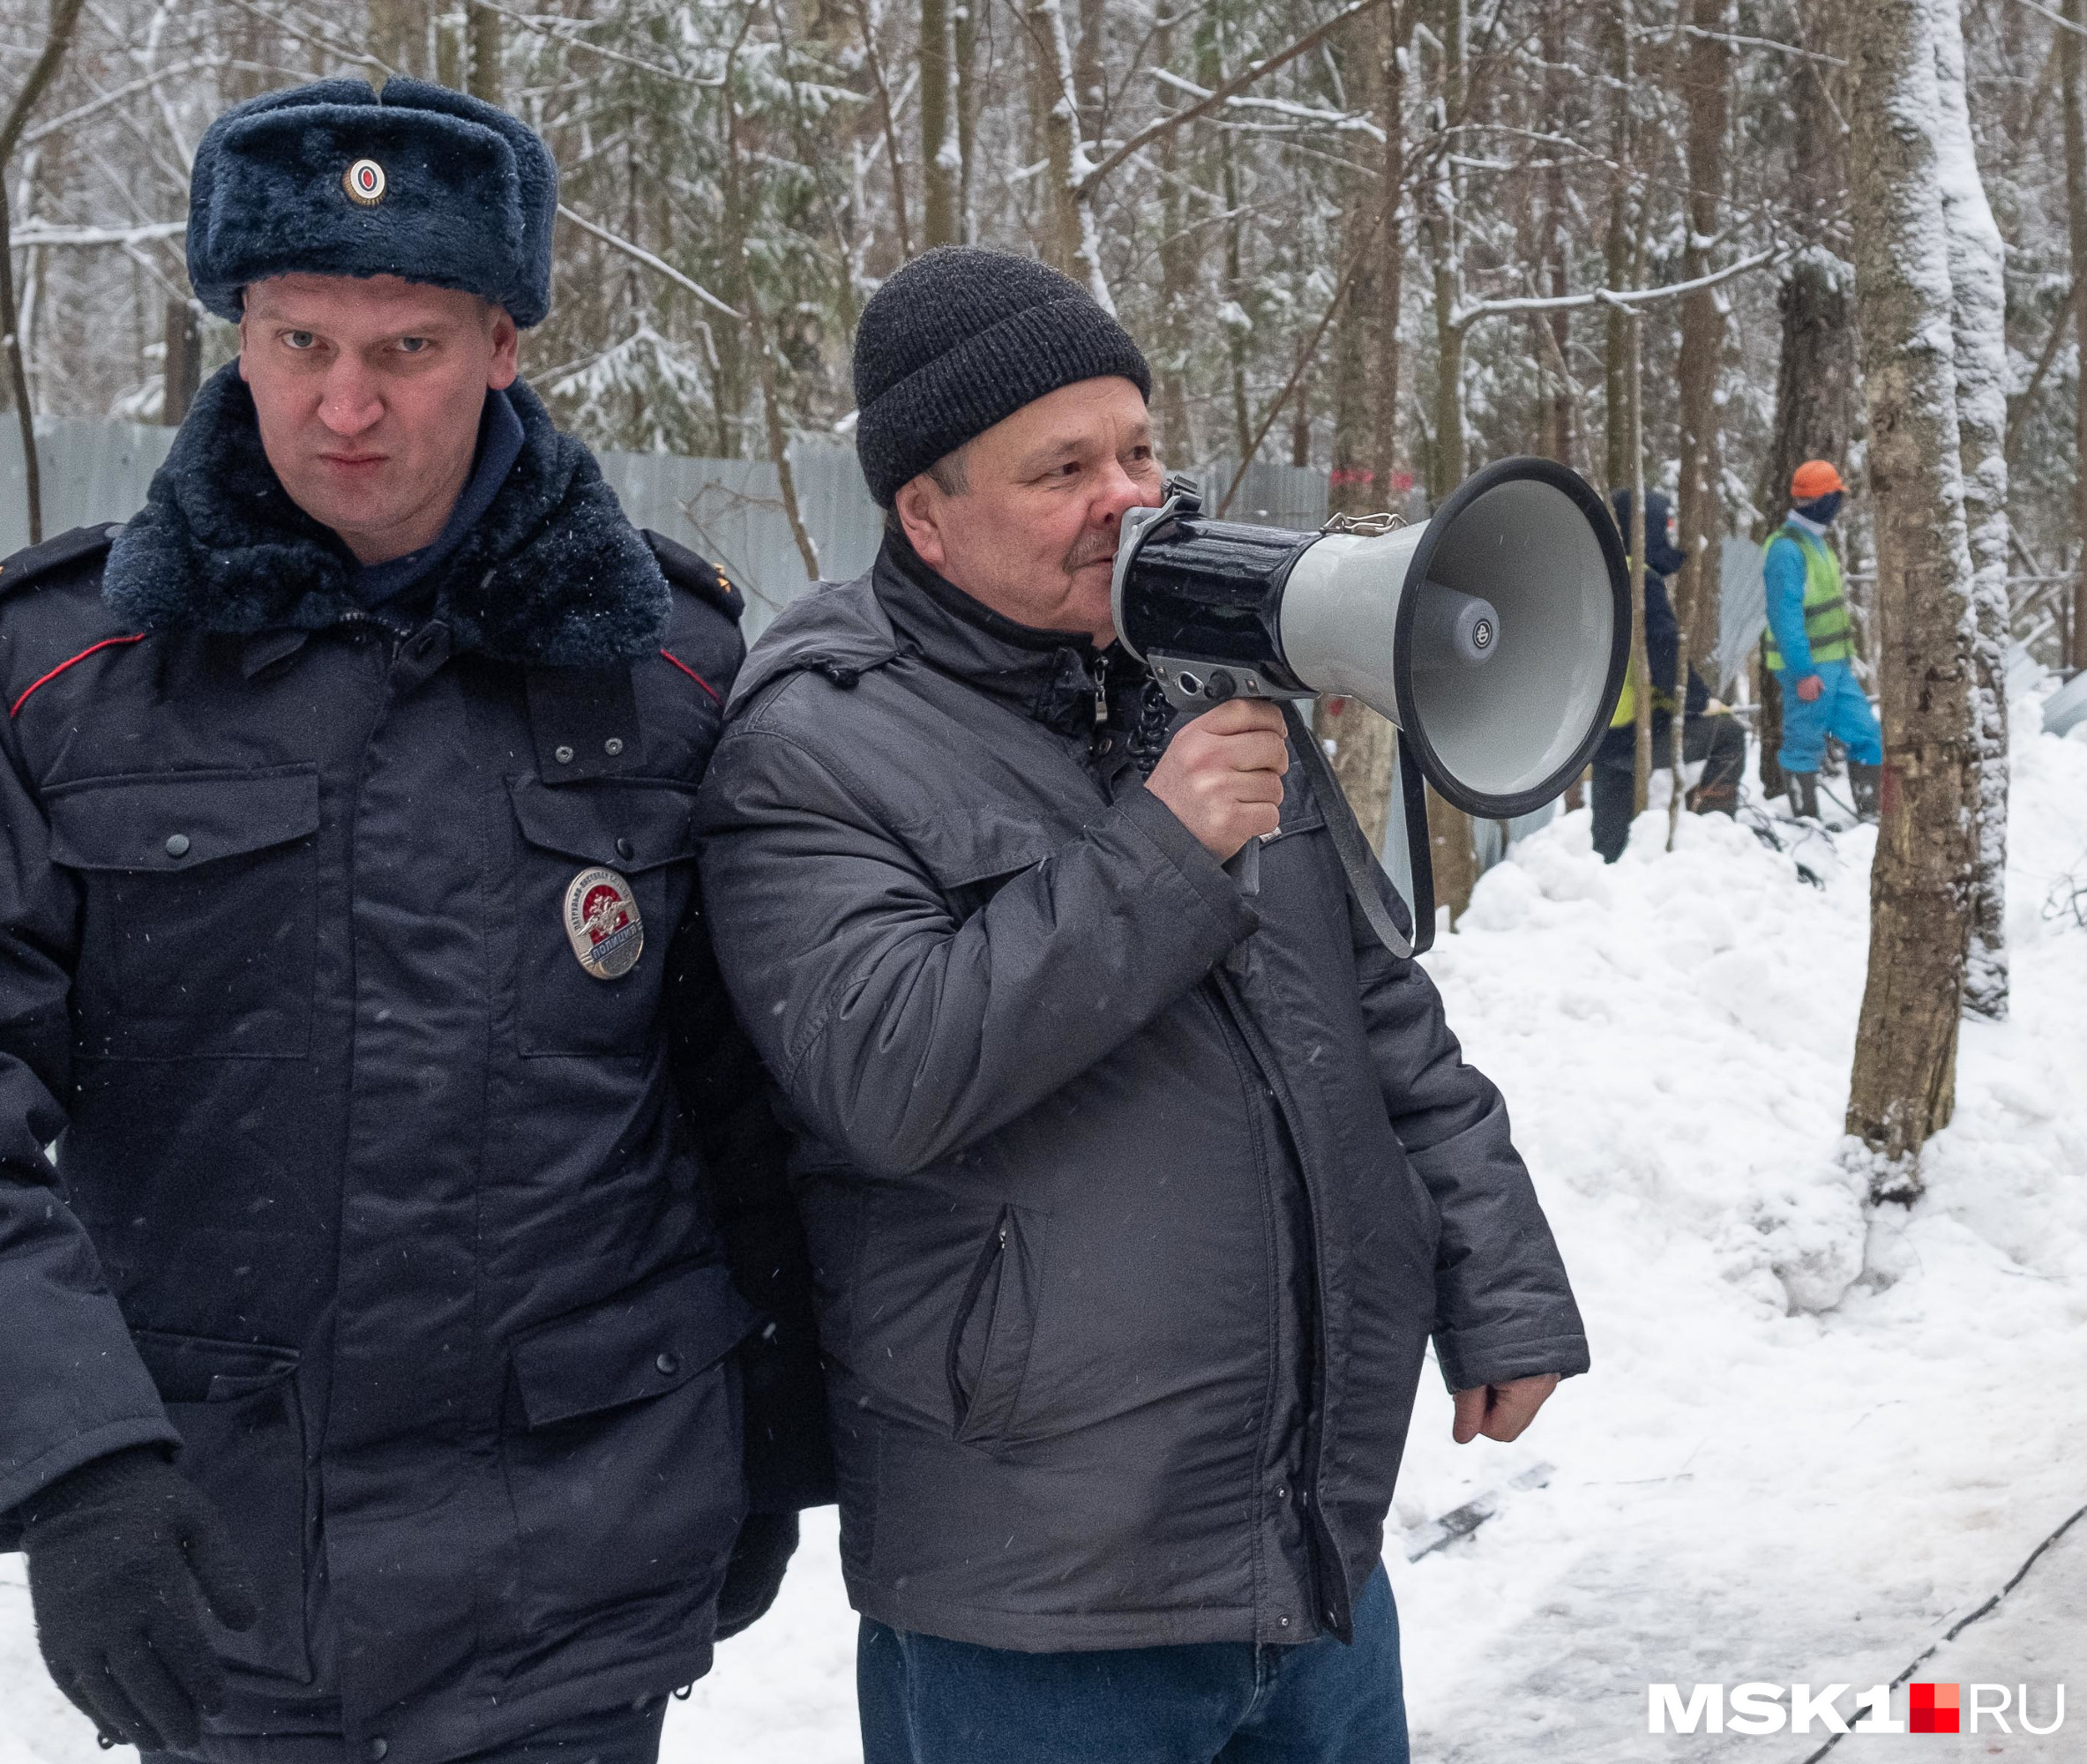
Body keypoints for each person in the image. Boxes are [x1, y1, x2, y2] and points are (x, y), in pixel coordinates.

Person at [0, 79, 828, 1764]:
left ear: (502, 344)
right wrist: (74, 1468)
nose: (345, 405)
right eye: (295, 340)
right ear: (237, 337)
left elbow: (749, 1099)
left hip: (580, 1570)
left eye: (405, 346)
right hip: (223, 1578)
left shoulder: (673, 670)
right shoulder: (49, 677)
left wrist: (771, 1429)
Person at [692, 246, 1590, 1764]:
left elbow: (1379, 1016)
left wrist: (1496, 1279)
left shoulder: (1196, 684)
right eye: (1063, 469)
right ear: (925, 511)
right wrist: (1160, 853)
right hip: (1041, 1598)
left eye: (1139, 449)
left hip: (1306, 1547)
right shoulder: (813, 743)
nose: (1128, 496)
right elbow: (888, 1070)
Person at [1590, 489, 1748, 863]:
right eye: (1666, 527)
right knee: (1729, 735)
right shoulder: (1640, 579)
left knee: (1607, 849)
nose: (1671, 535)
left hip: (1595, 733)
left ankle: (1607, 863)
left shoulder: (1599, 572)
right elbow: (1664, 656)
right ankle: (1715, 838)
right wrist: (1698, 701)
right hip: (1631, 733)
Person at [1762, 460, 1882, 820]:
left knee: (1866, 734)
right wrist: (1802, 672)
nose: (1839, 504)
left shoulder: (1814, 542)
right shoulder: (1786, 549)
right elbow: (1785, 616)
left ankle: (1871, 814)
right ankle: (1805, 824)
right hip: (1808, 668)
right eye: (1835, 496)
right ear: (1822, 500)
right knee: (1803, 744)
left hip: (1835, 664)